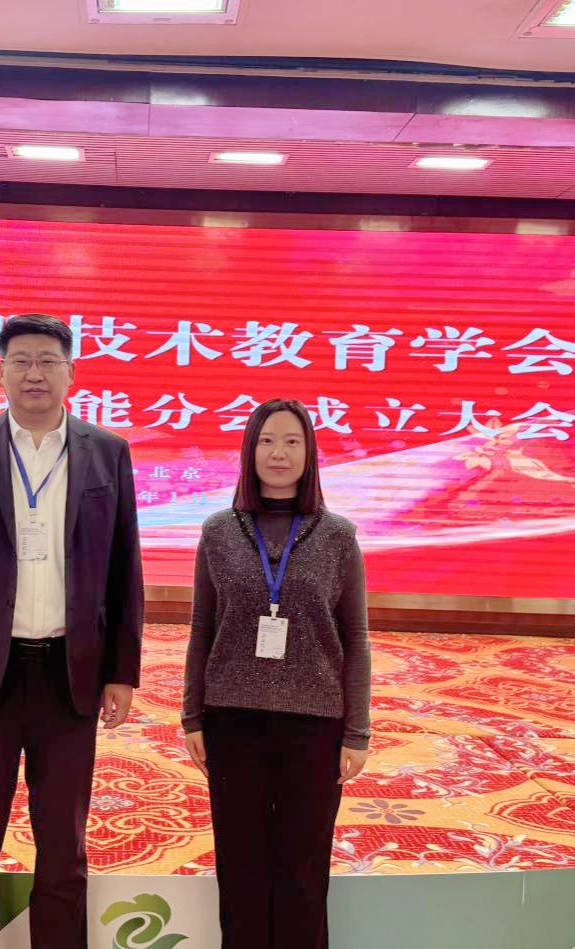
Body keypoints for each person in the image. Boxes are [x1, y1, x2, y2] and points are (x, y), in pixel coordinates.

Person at [0, 313, 144, 948]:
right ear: (0, 372)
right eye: (21, 361)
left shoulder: (107, 451)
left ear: (71, 371)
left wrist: (122, 671)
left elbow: (125, 567)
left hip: (71, 674)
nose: (34, 373)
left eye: (47, 360)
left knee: (64, 847)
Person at [182, 398, 371, 949]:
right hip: (231, 719)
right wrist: (192, 715)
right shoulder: (219, 530)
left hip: (315, 724)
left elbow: (355, 639)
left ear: (310, 452)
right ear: (249, 451)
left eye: (292, 441)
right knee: (239, 866)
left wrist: (357, 730)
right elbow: (202, 627)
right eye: (266, 441)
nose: (278, 453)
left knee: (302, 871)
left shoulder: (337, 536)